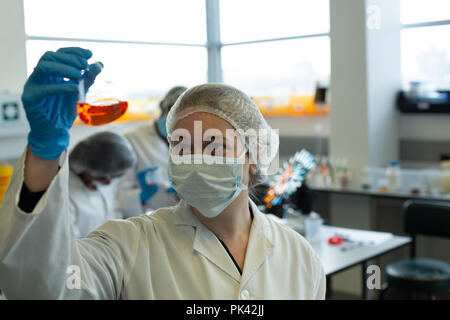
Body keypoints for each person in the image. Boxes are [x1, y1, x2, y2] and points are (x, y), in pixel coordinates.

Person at [0, 47, 326, 299]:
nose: (196, 159)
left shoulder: (299, 256)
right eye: (181, 147)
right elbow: (42, 286)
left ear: (254, 156)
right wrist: (45, 151)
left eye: (214, 146)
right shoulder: (128, 246)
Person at [117, 86, 186, 218]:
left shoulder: (192, 140)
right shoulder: (132, 139)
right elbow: (120, 192)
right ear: (162, 110)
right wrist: (140, 197)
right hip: (147, 219)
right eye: (172, 115)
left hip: (184, 218)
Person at [68, 131, 137, 238]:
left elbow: (112, 214)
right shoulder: (66, 196)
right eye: (108, 177)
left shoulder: (101, 184)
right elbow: (69, 245)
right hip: (85, 253)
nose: (109, 182)